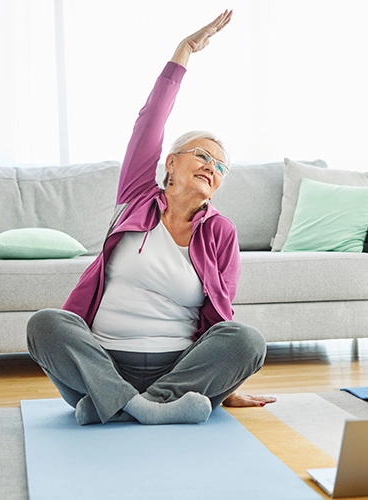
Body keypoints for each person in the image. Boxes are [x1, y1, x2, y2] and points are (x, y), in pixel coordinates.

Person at [27, 10, 276, 426]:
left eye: (220, 165)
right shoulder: (137, 197)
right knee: (46, 324)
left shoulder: (220, 232)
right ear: (171, 163)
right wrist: (184, 52)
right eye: (202, 155)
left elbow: (221, 316)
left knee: (247, 340)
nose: (211, 165)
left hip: (178, 370)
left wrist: (225, 383)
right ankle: (145, 408)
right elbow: (151, 120)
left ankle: (122, 406)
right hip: (100, 363)